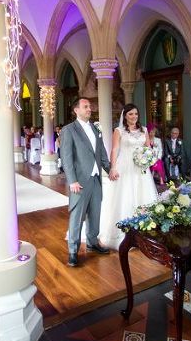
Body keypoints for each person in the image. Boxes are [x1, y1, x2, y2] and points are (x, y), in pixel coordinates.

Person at [59, 97, 112, 267]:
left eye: (90, 106)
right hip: (80, 181)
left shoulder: (96, 129)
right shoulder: (69, 130)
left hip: (96, 179)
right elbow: (66, 158)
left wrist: (110, 169)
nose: (90, 109)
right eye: (86, 106)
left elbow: (101, 153)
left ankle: (92, 242)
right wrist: (72, 180)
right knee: (77, 216)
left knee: (95, 212)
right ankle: (73, 250)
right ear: (76, 110)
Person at [98, 104, 158, 249]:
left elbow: (147, 148)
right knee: (125, 196)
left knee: (143, 195)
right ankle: (124, 235)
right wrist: (112, 168)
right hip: (125, 166)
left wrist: (148, 158)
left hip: (140, 168)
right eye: (130, 114)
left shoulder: (144, 130)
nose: (134, 117)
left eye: (136, 114)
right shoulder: (119, 131)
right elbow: (114, 149)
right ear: (125, 116)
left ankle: (145, 233)